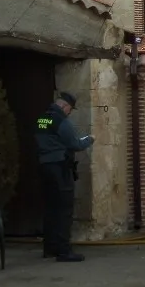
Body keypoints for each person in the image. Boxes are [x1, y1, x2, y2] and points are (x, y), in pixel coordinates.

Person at [35, 92, 94, 262]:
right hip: (60, 168)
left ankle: (50, 248)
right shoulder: (61, 121)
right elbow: (75, 144)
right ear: (64, 106)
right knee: (64, 209)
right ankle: (64, 251)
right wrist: (90, 139)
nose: (70, 112)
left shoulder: (42, 119)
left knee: (50, 209)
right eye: (70, 109)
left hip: (45, 166)